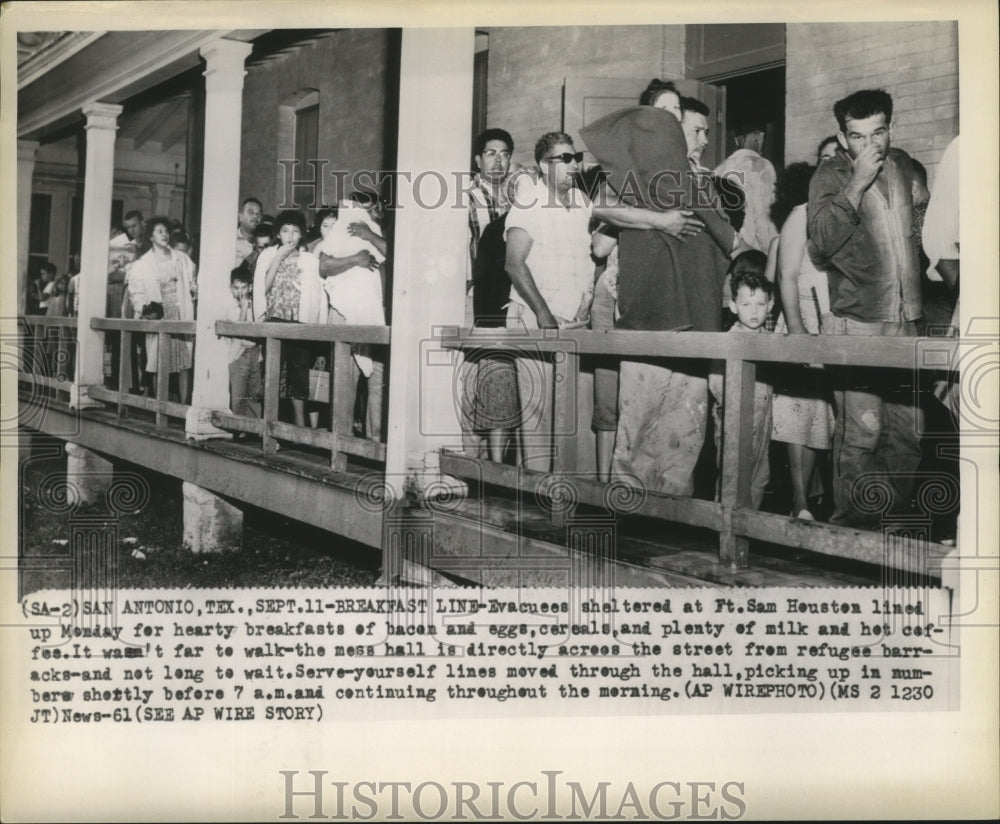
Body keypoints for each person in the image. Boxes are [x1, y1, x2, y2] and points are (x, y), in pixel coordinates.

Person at [581, 100, 742, 496]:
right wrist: (658, 219)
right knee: (638, 426)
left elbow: (730, 242)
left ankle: (673, 518)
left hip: (695, 324)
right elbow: (600, 213)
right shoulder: (630, 183)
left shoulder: (699, 183)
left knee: (684, 431)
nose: (701, 140)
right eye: (693, 131)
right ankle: (631, 513)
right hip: (645, 325)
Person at [808, 89, 925, 527]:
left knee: (908, 432)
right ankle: (853, 531)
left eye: (879, 132)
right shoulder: (829, 175)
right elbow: (820, 242)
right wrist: (856, 183)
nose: (871, 145)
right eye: (858, 136)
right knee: (862, 433)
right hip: (859, 325)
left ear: (890, 129)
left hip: (907, 321)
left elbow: (918, 237)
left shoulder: (902, 167)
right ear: (842, 137)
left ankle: (891, 524)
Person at [504, 132, 595, 472]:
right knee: (538, 415)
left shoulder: (583, 202)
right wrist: (543, 313)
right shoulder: (529, 200)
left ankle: (572, 496)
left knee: (573, 413)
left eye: (576, 157)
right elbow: (514, 262)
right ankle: (537, 503)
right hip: (536, 317)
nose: (574, 165)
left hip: (575, 322)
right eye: (565, 159)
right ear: (544, 166)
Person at [769, 162, 835, 520]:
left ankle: (806, 501)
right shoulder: (801, 215)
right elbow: (785, 276)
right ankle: (799, 501)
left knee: (818, 419)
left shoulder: (835, 213)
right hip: (804, 321)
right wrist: (797, 334)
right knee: (796, 417)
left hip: (830, 325)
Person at [464, 128, 520, 463]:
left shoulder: (520, 198)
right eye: (490, 153)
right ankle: (470, 461)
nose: (498, 160)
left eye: (504, 153)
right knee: (472, 377)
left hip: (511, 295)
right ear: (478, 159)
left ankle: (495, 463)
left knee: (503, 376)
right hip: (474, 296)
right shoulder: (465, 197)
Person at [315, 196, 387, 441]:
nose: (373, 212)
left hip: (375, 315)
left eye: (376, 208)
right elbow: (324, 266)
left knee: (378, 380)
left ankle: (374, 443)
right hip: (344, 315)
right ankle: (340, 444)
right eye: (368, 207)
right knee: (345, 383)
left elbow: (394, 256)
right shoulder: (339, 231)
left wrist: (369, 234)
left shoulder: (375, 231)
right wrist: (355, 259)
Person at [253, 209, 327, 430]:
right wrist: (278, 257)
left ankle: (300, 426)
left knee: (299, 375)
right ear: (278, 233)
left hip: (300, 323)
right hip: (274, 320)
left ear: (302, 234)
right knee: (273, 374)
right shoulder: (267, 255)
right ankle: (270, 427)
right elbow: (262, 289)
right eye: (285, 231)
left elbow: (318, 296)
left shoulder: (309, 260)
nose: (290, 236)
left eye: (295, 231)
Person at [709, 260, 774, 509]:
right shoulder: (727, 340)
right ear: (734, 307)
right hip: (733, 420)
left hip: (762, 420)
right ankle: (725, 525)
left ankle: (749, 525)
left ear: (770, 305)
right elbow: (715, 381)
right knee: (731, 473)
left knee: (759, 473)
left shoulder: (770, 341)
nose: (754, 311)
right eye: (747, 304)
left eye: (760, 304)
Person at [126, 216, 196, 403]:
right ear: (151, 236)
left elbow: (192, 282)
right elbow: (136, 293)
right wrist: (144, 308)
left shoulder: (181, 259)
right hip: (160, 314)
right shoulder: (143, 264)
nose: (164, 235)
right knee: (159, 361)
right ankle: (160, 406)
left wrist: (195, 290)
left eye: (166, 231)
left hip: (179, 313)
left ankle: (183, 406)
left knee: (183, 362)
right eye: (159, 232)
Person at [714, 118, 778, 253]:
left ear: (736, 140)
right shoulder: (763, 166)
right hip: (753, 251)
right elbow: (764, 218)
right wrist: (770, 254)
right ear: (758, 136)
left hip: (728, 247)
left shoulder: (719, 169)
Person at [226, 267, 262, 421]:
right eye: (236, 288)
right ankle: (237, 429)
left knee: (254, 393)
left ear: (250, 287)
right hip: (238, 354)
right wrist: (244, 308)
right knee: (238, 394)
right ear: (231, 288)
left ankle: (253, 427)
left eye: (244, 287)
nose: (240, 292)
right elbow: (240, 329)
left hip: (255, 352)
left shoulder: (256, 305)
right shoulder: (231, 307)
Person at [236, 197, 263, 267]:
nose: (255, 216)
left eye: (259, 213)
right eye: (251, 212)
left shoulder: (265, 242)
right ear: (240, 216)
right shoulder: (231, 240)